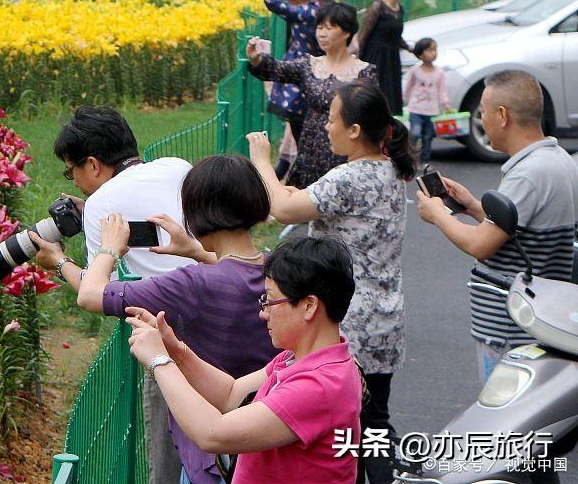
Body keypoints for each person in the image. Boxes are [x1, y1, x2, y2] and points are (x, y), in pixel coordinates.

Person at [37, 155, 275, 484]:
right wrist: (195, 250)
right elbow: (239, 265)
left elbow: (90, 295)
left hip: (213, 458)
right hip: (272, 436)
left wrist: (103, 251)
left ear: (194, 214)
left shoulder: (192, 284)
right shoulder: (281, 269)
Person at [245, 81, 414, 484]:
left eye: (333, 120)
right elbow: (304, 200)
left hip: (350, 322)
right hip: (385, 321)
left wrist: (262, 161)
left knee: (350, 441)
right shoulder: (389, 169)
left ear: (355, 130)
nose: (326, 127)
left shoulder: (350, 176)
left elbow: (285, 208)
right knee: (372, 429)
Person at [123, 236, 362, 484]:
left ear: (309, 306)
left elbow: (212, 434)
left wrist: (160, 361)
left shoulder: (319, 385)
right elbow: (231, 395)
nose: (263, 312)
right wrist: (176, 351)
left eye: (270, 300)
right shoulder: (300, 358)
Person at [47, 105, 192, 484]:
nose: (74, 181)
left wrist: (59, 261)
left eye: (72, 170)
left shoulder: (100, 205)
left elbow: (97, 290)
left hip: (170, 335)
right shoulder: (177, 166)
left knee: (169, 455)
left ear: (92, 165)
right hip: (218, 306)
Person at [416, 70, 578, 381]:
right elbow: (520, 232)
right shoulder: (559, 159)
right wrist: (474, 207)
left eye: (484, 113)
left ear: (502, 115)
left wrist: (438, 214)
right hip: (540, 320)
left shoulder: (528, 174)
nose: (483, 120)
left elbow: (481, 244)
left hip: (511, 329)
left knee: (503, 424)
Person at [246, 2, 376, 188]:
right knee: (306, 206)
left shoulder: (364, 72)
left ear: (347, 32)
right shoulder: (309, 65)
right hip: (310, 149)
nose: (321, 33)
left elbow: (372, 117)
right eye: (319, 27)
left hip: (347, 151)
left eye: (329, 28)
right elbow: (275, 69)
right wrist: (256, 58)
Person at [260, 0, 338, 143]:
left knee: (300, 130)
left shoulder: (306, 12)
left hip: (300, 73)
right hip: (329, 71)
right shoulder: (337, 12)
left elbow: (270, 0)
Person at [357, 0, 412, 113]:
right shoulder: (377, 6)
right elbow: (363, 36)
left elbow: (395, 37)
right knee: (374, 102)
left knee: (390, 103)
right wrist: (357, 64)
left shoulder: (400, 9)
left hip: (392, 60)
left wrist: (411, 49)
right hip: (375, 60)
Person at [402, 38, 450, 167]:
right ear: (420, 54)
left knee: (428, 137)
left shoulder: (439, 72)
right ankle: (410, 157)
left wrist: (445, 104)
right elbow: (409, 86)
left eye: (435, 50)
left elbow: (442, 90)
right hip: (416, 108)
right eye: (430, 50)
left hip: (432, 110)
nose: (434, 53)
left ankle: (425, 160)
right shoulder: (415, 71)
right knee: (415, 133)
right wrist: (403, 100)